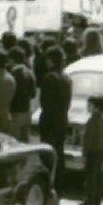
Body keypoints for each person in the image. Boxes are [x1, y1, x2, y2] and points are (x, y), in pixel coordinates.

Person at [37, 50, 71, 189]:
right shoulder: (66, 78)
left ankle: (48, 183)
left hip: (50, 119)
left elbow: (46, 102)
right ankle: (59, 182)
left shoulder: (50, 77)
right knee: (59, 151)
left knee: (47, 153)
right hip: (62, 118)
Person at [80, 95, 103, 205]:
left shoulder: (93, 120)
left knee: (90, 176)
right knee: (98, 174)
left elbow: (88, 138)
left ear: (97, 107)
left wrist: (84, 152)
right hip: (100, 149)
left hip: (92, 150)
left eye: (90, 105)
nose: (88, 107)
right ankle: (97, 199)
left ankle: (90, 200)